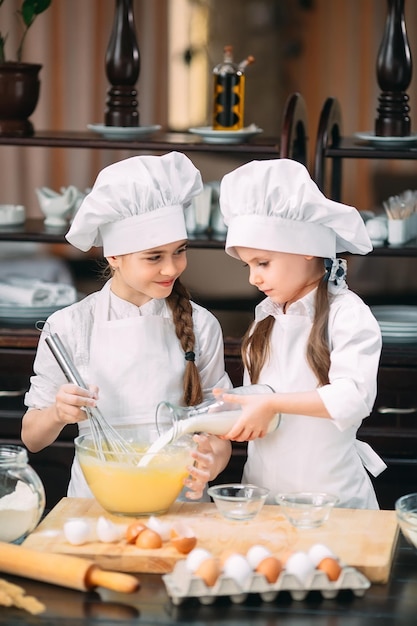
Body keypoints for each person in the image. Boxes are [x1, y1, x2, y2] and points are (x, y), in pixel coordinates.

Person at [22, 152, 232, 500]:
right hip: (94, 505)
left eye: (179, 251)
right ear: (114, 256)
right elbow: (32, 437)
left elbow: (219, 430)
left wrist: (213, 462)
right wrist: (58, 413)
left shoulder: (202, 324)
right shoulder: (69, 326)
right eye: (154, 257)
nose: (172, 268)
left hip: (179, 504)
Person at [217, 158, 386, 509]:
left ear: (307, 247)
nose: (253, 278)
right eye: (248, 265)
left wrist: (272, 404)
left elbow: (352, 399)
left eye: (263, 263)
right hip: (264, 501)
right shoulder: (264, 319)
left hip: (334, 504)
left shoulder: (348, 315)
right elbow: (259, 399)